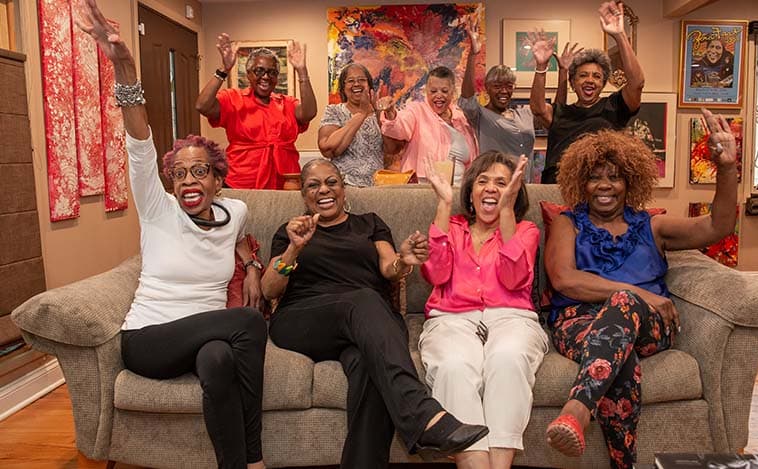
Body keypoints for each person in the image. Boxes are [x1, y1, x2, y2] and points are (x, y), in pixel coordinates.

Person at [76, 1, 268, 468]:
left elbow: (241, 241)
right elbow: (139, 140)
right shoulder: (158, 209)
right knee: (248, 322)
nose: (188, 181)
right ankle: (258, 458)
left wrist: (255, 267)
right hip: (150, 340)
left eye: (200, 172)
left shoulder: (236, 210)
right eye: (179, 173)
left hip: (205, 340)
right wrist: (123, 63)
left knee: (220, 363)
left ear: (218, 180)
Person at [261, 159, 489, 469]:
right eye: (314, 185)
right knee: (362, 300)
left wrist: (403, 261)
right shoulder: (292, 231)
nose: (324, 190)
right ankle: (422, 414)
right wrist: (294, 249)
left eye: (332, 182)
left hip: (367, 322)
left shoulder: (369, 223)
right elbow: (269, 290)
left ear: (343, 187)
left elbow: (389, 267)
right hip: (304, 319)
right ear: (304, 194)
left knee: (369, 366)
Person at [543, 109, 738, 469]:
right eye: (595, 178)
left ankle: (578, 408)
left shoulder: (653, 225)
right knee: (621, 359)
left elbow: (719, 226)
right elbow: (564, 280)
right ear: (579, 183)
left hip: (651, 324)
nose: (605, 185)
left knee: (622, 309)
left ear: (630, 182)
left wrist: (726, 167)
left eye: (615, 178)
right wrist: (638, 294)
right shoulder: (567, 223)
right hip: (580, 321)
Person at [419, 152, 549, 469]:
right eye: (483, 181)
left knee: (508, 359)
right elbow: (435, 274)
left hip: (512, 318)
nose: (491, 188)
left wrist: (506, 211)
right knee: (453, 366)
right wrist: (443, 204)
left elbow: (514, 277)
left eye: (502, 183)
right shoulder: (449, 224)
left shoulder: (525, 230)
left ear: (514, 192)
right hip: (451, 319)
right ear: (471, 191)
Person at [530, 1, 644, 183]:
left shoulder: (614, 107)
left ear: (603, 84)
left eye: (597, 77)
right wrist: (541, 66)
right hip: (556, 190)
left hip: (598, 189)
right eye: (583, 75)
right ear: (573, 83)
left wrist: (620, 35)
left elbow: (637, 83)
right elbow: (537, 108)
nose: (590, 80)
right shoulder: (561, 113)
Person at [195, 33, 317, 190]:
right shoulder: (233, 98)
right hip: (242, 181)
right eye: (259, 71)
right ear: (248, 75)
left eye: (272, 72)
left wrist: (302, 71)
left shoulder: (287, 103)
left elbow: (309, 113)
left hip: (285, 182)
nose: (265, 77)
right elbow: (202, 106)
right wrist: (224, 69)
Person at [379, 66, 478, 185]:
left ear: (453, 92)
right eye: (433, 91)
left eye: (444, 91)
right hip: (423, 190)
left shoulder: (461, 118)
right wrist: (390, 112)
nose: (439, 95)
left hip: (458, 194)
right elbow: (400, 125)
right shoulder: (416, 110)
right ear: (426, 91)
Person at [457, 15, 535, 161]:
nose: (504, 91)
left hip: (524, 182)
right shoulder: (481, 115)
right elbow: (467, 97)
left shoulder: (524, 114)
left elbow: (548, 113)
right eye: (497, 86)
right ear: (487, 87)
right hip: (494, 181)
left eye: (509, 86)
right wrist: (473, 55)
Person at [317, 63, 398, 187]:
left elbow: (392, 150)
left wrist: (389, 115)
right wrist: (361, 114)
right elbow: (328, 149)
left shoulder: (379, 113)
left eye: (361, 80)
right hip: (344, 186)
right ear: (343, 88)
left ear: (370, 86)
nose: (356, 84)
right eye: (350, 81)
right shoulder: (334, 111)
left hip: (376, 187)